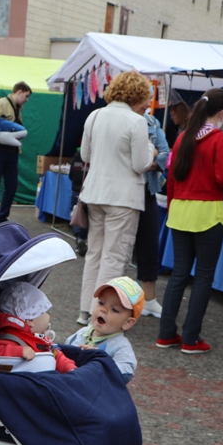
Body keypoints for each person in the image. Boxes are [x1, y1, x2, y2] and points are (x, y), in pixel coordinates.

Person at [157, 87, 223, 354]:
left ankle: (166, 333)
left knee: (178, 274)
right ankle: (191, 339)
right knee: (203, 276)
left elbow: (172, 179)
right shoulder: (219, 139)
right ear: (222, 113)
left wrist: (172, 206)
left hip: (179, 210)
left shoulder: (183, 137)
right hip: (207, 213)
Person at [76, 70, 156, 326]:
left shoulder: (95, 115)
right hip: (123, 198)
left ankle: (86, 310)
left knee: (95, 254)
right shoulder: (136, 122)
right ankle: (103, 314)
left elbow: (85, 155)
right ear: (137, 95)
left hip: (95, 193)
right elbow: (140, 164)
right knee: (114, 257)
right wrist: (151, 149)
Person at [66, 277, 142, 384]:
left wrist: (100, 358)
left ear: (127, 323)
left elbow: (126, 372)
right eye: (101, 303)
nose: (104, 310)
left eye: (114, 309)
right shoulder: (82, 333)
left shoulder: (121, 347)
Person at [0, 281, 77, 373]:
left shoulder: (39, 338)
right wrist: (18, 351)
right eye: (45, 312)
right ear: (30, 320)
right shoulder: (11, 339)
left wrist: (70, 368)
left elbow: (56, 355)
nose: (48, 315)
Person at [133, 111, 170, 318]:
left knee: (149, 245)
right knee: (118, 250)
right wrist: (151, 155)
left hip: (148, 190)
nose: (149, 102)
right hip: (124, 192)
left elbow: (165, 153)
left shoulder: (152, 121)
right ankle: (111, 300)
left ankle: (149, 299)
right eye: (146, 97)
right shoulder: (119, 118)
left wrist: (147, 162)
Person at [0, 82, 32, 226]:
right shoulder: (1, 103)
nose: (27, 99)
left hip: (12, 151)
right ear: (19, 92)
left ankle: (2, 216)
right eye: (26, 96)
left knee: (12, 185)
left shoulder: (18, 107)